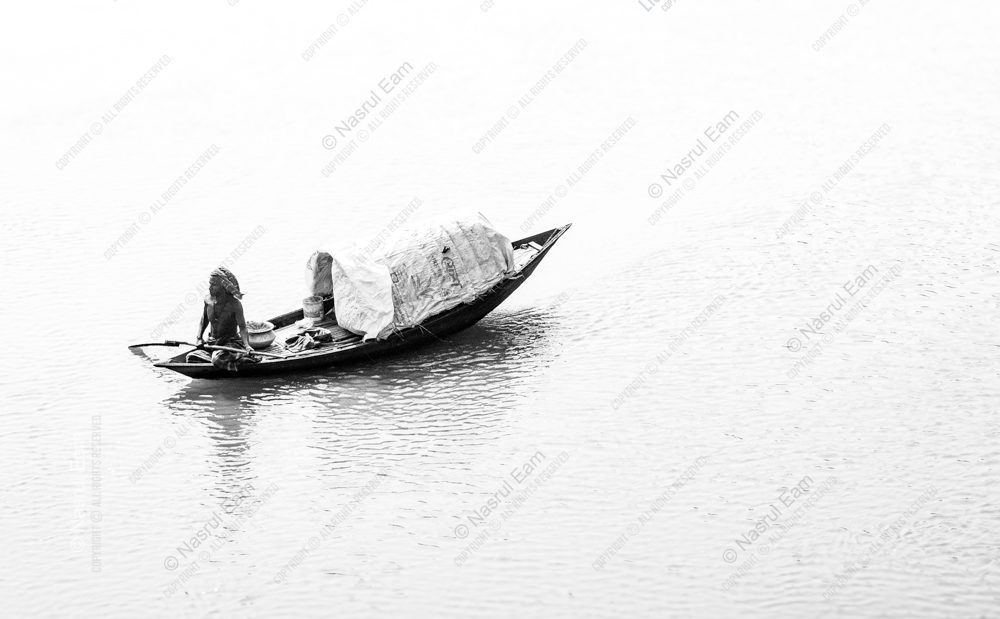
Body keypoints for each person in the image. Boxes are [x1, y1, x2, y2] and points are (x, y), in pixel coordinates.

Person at [189, 267, 256, 371]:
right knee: (191, 358)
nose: (210, 288)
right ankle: (228, 361)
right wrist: (199, 337)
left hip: (231, 343)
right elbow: (204, 319)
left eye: (214, 285)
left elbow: (242, 328)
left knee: (217, 359)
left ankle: (239, 358)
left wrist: (247, 346)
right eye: (210, 284)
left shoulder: (235, 304)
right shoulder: (208, 300)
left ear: (223, 287)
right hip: (213, 343)